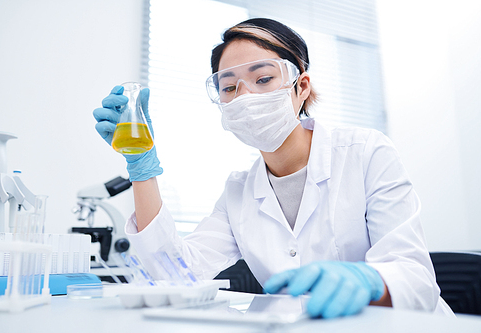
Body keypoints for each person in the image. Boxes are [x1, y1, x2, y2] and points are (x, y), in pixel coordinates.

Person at [93, 18, 453, 318]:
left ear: (301, 87)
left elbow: (416, 280)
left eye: (263, 79)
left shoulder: (366, 153)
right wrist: (141, 167)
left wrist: (370, 280)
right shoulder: (238, 192)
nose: (245, 96)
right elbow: (173, 273)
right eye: (229, 87)